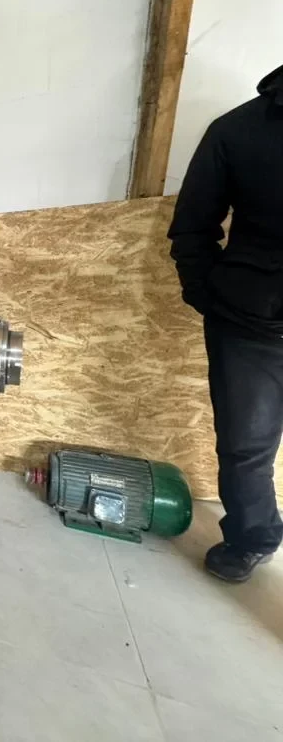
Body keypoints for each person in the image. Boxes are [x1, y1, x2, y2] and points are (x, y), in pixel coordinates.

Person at [167, 64, 283, 583]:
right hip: (250, 326)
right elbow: (192, 226)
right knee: (245, 445)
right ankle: (252, 537)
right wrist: (210, 295)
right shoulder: (238, 129)